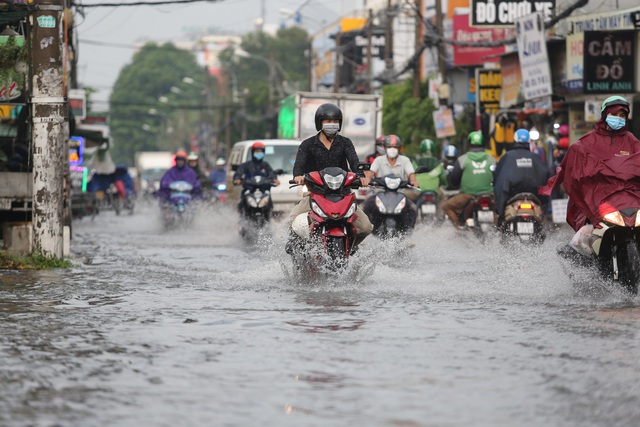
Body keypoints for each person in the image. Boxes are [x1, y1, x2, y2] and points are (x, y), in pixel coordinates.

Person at [539, 96, 640, 259]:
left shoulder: (632, 141)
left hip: (630, 202)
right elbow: (572, 170)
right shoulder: (586, 143)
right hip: (598, 201)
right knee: (580, 242)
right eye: (616, 114)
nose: (619, 119)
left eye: (623, 116)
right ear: (605, 114)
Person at [289, 103, 373, 247]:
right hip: (315, 194)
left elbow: (354, 161)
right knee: (291, 222)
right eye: (328, 121)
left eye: (335, 122)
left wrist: (361, 176)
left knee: (366, 227)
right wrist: (298, 176)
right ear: (319, 123)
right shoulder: (307, 145)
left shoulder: (345, 143)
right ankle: (298, 248)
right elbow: (298, 167)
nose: (332, 124)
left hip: (343, 195)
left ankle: (350, 246)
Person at [493, 128, 550, 224]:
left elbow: (498, 178)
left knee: (501, 220)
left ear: (515, 140)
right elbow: (546, 176)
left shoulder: (507, 156)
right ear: (529, 141)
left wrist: (500, 211)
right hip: (533, 197)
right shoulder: (536, 157)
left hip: (511, 196)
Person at [442, 131, 496, 230]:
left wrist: (456, 185)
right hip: (489, 194)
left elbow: (454, 179)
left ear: (468, 144)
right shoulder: (491, 159)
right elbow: (497, 176)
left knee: (446, 206)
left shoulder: (462, 159)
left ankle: (459, 228)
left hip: (468, 195)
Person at [363, 134, 419, 228]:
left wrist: (414, 181)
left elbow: (411, 174)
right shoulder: (379, 160)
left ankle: (408, 235)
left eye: (395, 147)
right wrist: (367, 180)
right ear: (385, 147)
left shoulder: (405, 160)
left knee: (413, 209)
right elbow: (370, 173)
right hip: (380, 192)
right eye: (389, 147)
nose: (392, 149)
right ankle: (368, 233)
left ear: (399, 148)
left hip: (400, 193)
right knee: (364, 207)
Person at [233, 141, 279, 214]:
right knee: (242, 202)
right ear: (252, 152)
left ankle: (267, 216)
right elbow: (239, 172)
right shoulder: (246, 165)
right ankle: (243, 217)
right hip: (249, 190)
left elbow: (271, 173)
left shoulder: (266, 165)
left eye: (260, 151)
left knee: (268, 201)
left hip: (263, 191)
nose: (259, 153)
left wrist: (274, 179)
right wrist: (237, 179)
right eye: (257, 151)